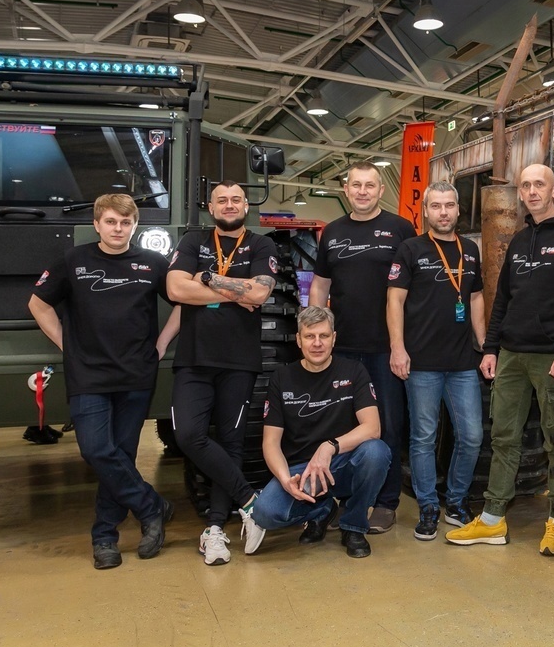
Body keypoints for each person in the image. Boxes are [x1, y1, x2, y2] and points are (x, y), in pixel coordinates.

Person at [446, 163, 554, 555]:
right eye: (526, 186)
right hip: (512, 355)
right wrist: (491, 348)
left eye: (539, 185)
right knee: (503, 437)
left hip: (552, 357)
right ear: (519, 193)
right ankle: (492, 519)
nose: (532, 191)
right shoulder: (519, 241)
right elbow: (503, 300)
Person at [28, 193, 179, 570]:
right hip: (89, 375)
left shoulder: (152, 263)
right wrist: (67, 345)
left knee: (122, 455)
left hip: (136, 374)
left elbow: (183, 301)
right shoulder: (74, 260)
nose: (118, 229)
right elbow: (38, 303)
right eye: (111, 222)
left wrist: (162, 343)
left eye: (126, 223)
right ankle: (151, 506)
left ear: (135, 226)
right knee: (96, 450)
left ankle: (104, 537)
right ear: (96, 224)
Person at [166, 181, 279, 566]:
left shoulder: (262, 245)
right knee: (188, 435)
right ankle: (249, 500)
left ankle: (215, 528)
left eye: (236, 200)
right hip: (194, 359)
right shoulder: (192, 240)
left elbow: (260, 294)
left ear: (246, 205)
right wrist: (236, 291)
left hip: (239, 361)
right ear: (210, 207)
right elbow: (175, 289)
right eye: (221, 200)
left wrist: (204, 278)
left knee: (230, 442)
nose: (229, 205)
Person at [309, 162, 416, 533]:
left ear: (381, 191)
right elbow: (320, 285)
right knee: (342, 425)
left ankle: (386, 502)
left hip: (385, 348)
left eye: (370, 185)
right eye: (356, 185)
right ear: (346, 188)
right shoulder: (333, 232)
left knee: (388, 424)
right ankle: (347, 499)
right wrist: (314, 329)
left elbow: (412, 286)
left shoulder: (401, 229)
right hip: (341, 349)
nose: (363, 191)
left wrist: (402, 344)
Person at [245, 306, 390, 559]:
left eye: (324, 336)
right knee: (265, 513)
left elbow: (372, 428)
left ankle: (353, 526)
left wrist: (329, 447)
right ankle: (322, 511)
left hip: (342, 464)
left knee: (376, 452)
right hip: (301, 472)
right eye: (310, 336)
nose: (317, 343)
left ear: (334, 338)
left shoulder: (354, 371)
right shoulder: (282, 377)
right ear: (298, 340)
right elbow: (270, 443)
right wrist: (285, 480)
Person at [387, 181, 485, 540]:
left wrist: (485, 344)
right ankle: (428, 507)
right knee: (423, 438)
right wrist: (397, 348)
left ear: (458, 209)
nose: (443, 212)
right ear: (425, 211)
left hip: (462, 363)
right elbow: (394, 300)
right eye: (436, 206)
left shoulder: (470, 249)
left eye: (449, 205)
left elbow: (475, 298)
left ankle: (456, 501)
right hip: (421, 364)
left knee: (472, 436)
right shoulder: (410, 249)